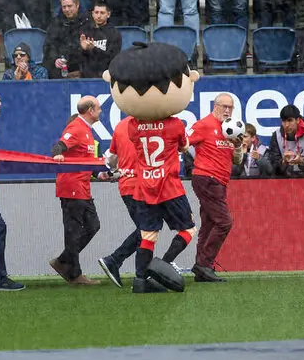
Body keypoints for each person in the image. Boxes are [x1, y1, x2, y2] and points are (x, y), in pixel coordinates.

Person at [101, 42, 198, 293]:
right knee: (188, 229)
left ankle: (140, 281)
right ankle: (162, 266)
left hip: (144, 187)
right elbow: (183, 147)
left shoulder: (132, 127)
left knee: (148, 235)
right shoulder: (175, 125)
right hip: (169, 186)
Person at [48, 96, 103, 285]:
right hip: (71, 187)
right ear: (90, 111)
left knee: (93, 226)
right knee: (73, 231)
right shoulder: (77, 128)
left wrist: (100, 174)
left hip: (83, 187)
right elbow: (59, 146)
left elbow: (86, 160)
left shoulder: (86, 130)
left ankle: (63, 260)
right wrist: (57, 155)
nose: (101, 111)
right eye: (98, 108)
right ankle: (74, 273)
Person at [188, 93, 240, 282]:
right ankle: (204, 264)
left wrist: (238, 146)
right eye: (223, 106)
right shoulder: (204, 124)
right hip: (207, 178)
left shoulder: (231, 129)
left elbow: (237, 160)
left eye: (230, 107)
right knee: (224, 222)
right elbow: (184, 143)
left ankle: (201, 267)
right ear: (215, 106)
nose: (227, 110)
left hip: (219, 181)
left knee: (209, 224)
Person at [265, 103, 304, 177]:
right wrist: (283, 162)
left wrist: (301, 162)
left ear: (298, 120)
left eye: (290, 120)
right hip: (283, 181)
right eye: (284, 121)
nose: (286, 125)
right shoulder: (276, 136)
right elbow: (273, 169)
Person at [79, 1, 121, 78]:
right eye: (96, 12)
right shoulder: (85, 31)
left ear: (108, 14)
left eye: (102, 13)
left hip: (106, 76)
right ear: (92, 14)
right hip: (87, 77)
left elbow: (112, 58)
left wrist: (93, 49)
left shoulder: (114, 33)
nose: (99, 16)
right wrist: (83, 49)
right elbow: (80, 58)